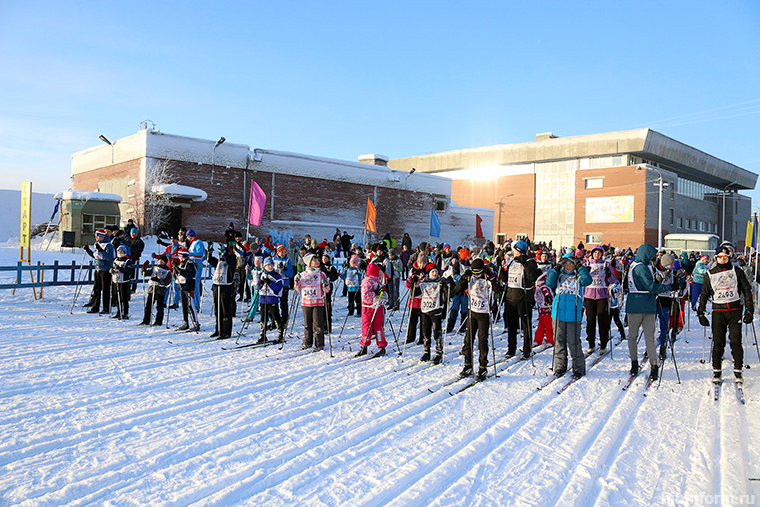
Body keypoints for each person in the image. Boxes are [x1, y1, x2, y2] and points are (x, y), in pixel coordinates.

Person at [697, 244, 754, 384]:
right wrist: (701, 313)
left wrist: (749, 310)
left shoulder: (736, 271)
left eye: (726, 257)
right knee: (718, 342)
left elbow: (746, 290)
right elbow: (704, 294)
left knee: (735, 341)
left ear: (729, 257)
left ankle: (738, 370)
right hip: (718, 312)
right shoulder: (710, 274)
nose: (723, 260)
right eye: (720, 257)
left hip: (735, 311)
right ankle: (716, 371)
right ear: (716, 258)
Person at [625, 244, 672, 381]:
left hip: (635, 304)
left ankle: (635, 363)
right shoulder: (641, 267)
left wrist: (660, 278)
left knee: (633, 337)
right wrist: (669, 286)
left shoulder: (636, 265)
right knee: (648, 337)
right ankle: (653, 365)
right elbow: (651, 287)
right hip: (645, 304)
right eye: (652, 256)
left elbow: (646, 282)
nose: (653, 259)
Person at [545, 253, 592, 379]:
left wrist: (580, 266)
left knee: (574, 342)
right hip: (558, 313)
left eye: (571, 264)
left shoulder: (578, 277)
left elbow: (588, 280)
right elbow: (549, 282)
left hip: (574, 315)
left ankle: (578, 368)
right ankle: (560, 366)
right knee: (559, 341)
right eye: (566, 264)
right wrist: (556, 268)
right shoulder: (559, 275)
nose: (569, 267)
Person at [455, 258, 496, 381]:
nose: (476, 275)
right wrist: (463, 278)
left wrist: (492, 280)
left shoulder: (487, 278)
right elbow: (457, 290)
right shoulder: (470, 279)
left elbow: (499, 290)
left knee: (482, 342)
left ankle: (482, 368)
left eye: (478, 273)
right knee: (468, 341)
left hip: (484, 314)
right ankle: (468, 366)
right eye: (474, 273)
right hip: (472, 313)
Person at [499, 240, 540, 360]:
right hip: (511, 297)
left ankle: (527, 349)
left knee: (526, 325)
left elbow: (532, 277)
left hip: (523, 298)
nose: (512, 251)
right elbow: (506, 278)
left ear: (519, 250)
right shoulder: (512, 261)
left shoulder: (530, 262)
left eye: (514, 249)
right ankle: (511, 349)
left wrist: (525, 265)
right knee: (511, 325)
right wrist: (501, 270)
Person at [583, 245, 617, 353]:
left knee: (602, 320)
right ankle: (591, 343)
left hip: (602, 295)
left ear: (602, 254)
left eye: (599, 253)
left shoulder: (606, 264)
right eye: (595, 253)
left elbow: (612, 280)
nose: (597, 255)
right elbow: (581, 279)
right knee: (590, 320)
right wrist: (585, 272)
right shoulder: (587, 264)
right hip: (589, 295)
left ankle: (603, 344)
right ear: (592, 254)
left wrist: (608, 274)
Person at [294, 253, 330, 351]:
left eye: (317, 260)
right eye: (314, 260)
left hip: (318, 302)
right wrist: (296, 281)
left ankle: (319, 344)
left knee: (318, 324)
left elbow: (327, 290)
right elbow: (298, 289)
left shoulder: (321, 274)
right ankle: (307, 341)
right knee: (307, 324)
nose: (317, 262)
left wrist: (325, 284)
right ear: (309, 262)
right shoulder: (302, 275)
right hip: (306, 302)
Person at [207, 240, 238, 340]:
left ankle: (226, 331)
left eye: (223, 254)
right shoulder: (219, 262)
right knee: (218, 310)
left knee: (225, 310)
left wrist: (226, 254)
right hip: (217, 287)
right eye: (220, 254)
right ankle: (218, 329)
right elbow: (210, 260)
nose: (221, 256)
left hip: (226, 288)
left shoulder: (231, 260)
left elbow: (232, 263)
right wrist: (209, 252)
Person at [356, 262, 388, 357]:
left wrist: (382, 295)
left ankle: (381, 345)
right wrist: (375, 292)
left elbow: (383, 293)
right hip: (368, 307)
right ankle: (365, 345)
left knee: (378, 326)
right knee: (368, 326)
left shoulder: (378, 281)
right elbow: (366, 295)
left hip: (377, 306)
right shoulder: (367, 281)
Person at [84, 229, 115, 315]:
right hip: (97, 268)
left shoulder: (109, 245)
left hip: (106, 270)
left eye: (98, 236)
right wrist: (88, 251)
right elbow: (95, 255)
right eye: (95, 236)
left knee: (105, 289)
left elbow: (109, 257)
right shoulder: (97, 244)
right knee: (96, 289)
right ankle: (95, 307)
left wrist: (101, 250)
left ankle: (106, 308)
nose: (96, 237)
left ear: (102, 236)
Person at [419, 263, 445, 364]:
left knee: (436, 331)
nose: (434, 273)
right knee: (426, 332)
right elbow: (415, 291)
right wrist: (413, 282)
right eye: (432, 272)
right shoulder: (424, 282)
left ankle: (439, 352)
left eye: (436, 271)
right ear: (428, 273)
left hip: (436, 309)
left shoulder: (440, 282)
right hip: (425, 310)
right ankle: (426, 351)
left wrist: (446, 286)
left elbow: (449, 294)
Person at [256, 257, 285, 344]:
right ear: (264, 266)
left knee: (276, 317)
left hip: (272, 299)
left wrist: (270, 283)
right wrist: (260, 284)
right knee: (263, 318)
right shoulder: (261, 274)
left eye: (271, 265)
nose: (270, 267)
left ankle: (280, 335)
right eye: (268, 265)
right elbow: (257, 287)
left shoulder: (277, 275)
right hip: (263, 299)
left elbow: (279, 288)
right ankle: (263, 335)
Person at [140, 254, 171, 326]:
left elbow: (167, 282)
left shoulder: (167, 271)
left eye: (162, 260)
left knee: (159, 306)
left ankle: (158, 321)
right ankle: (146, 320)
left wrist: (158, 280)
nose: (160, 261)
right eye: (159, 260)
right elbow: (145, 274)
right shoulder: (154, 268)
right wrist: (144, 269)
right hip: (152, 289)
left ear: (165, 262)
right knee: (148, 306)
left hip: (160, 290)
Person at [405, 254, 429, 344]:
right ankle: (410, 337)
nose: (421, 264)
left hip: (424, 300)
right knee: (412, 320)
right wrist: (411, 281)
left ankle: (422, 338)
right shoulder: (413, 271)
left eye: (423, 263)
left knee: (423, 321)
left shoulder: (428, 271)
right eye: (420, 262)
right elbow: (407, 285)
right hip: (414, 299)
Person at [175, 248, 200, 332]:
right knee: (184, 305)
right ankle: (185, 322)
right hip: (182, 287)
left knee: (191, 305)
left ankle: (195, 323)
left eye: (179, 255)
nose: (178, 257)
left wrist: (179, 270)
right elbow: (179, 274)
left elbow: (190, 275)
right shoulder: (182, 263)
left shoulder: (190, 264)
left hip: (189, 287)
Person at [110, 245, 134, 319]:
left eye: (121, 251)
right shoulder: (115, 260)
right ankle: (119, 311)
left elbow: (129, 271)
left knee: (124, 298)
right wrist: (112, 270)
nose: (120, 252)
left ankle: (125, 313)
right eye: (119, 251)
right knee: (117, 297)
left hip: (124, 281)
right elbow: (113, 268)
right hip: (116, 280)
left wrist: (120, 268)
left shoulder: (127, 261)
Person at [273, 245, 295, 326]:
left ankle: (284, 319)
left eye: (285, 252)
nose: (283, 254)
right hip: (275, 284)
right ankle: (275, 320)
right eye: (281, 252)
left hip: (284, 284)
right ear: (278, 252)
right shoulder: (273, 260)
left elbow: (291, 274)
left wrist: (284, 269)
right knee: (274, 303)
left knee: (283, 303)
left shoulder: (287, 261)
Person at [186, 230, 206, 310]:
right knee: (191, 284)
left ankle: (196, 305)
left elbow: (200, 253)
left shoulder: (198, 242)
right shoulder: (192, 244)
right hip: (192, 265)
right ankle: (192, 304)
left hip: (197, 265)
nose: (187, 238)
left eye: (187, 237)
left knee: (196, 284)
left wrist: (188, 254)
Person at [532, 273, 554, 346]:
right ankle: (538, 339)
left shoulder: (543, 286)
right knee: (541, 325)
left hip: (547, 309)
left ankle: (550, 340)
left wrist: (548, 297)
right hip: (541, 308)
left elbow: (546, 292)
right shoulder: (537, 287)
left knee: (548, 326)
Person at [321, 254, 340, 333]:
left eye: (326, 258)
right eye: (323, 258)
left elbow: (334, 276)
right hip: (320, 287)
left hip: (328, 286)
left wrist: (328, 278)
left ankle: (327, 326)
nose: (324, 260)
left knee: (327, 304)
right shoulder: (321, 267)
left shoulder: (331, 267)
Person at [127, 228, 145, 294]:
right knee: (128, 273)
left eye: (135, 233)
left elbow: (140, 249)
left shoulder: (139, 241)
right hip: (128, 259)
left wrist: (132, 249)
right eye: (132, 233)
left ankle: (133, 288)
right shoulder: (127, 240)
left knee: (134, 273)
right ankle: (128, 286)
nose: (133, 235)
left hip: (135, 258)